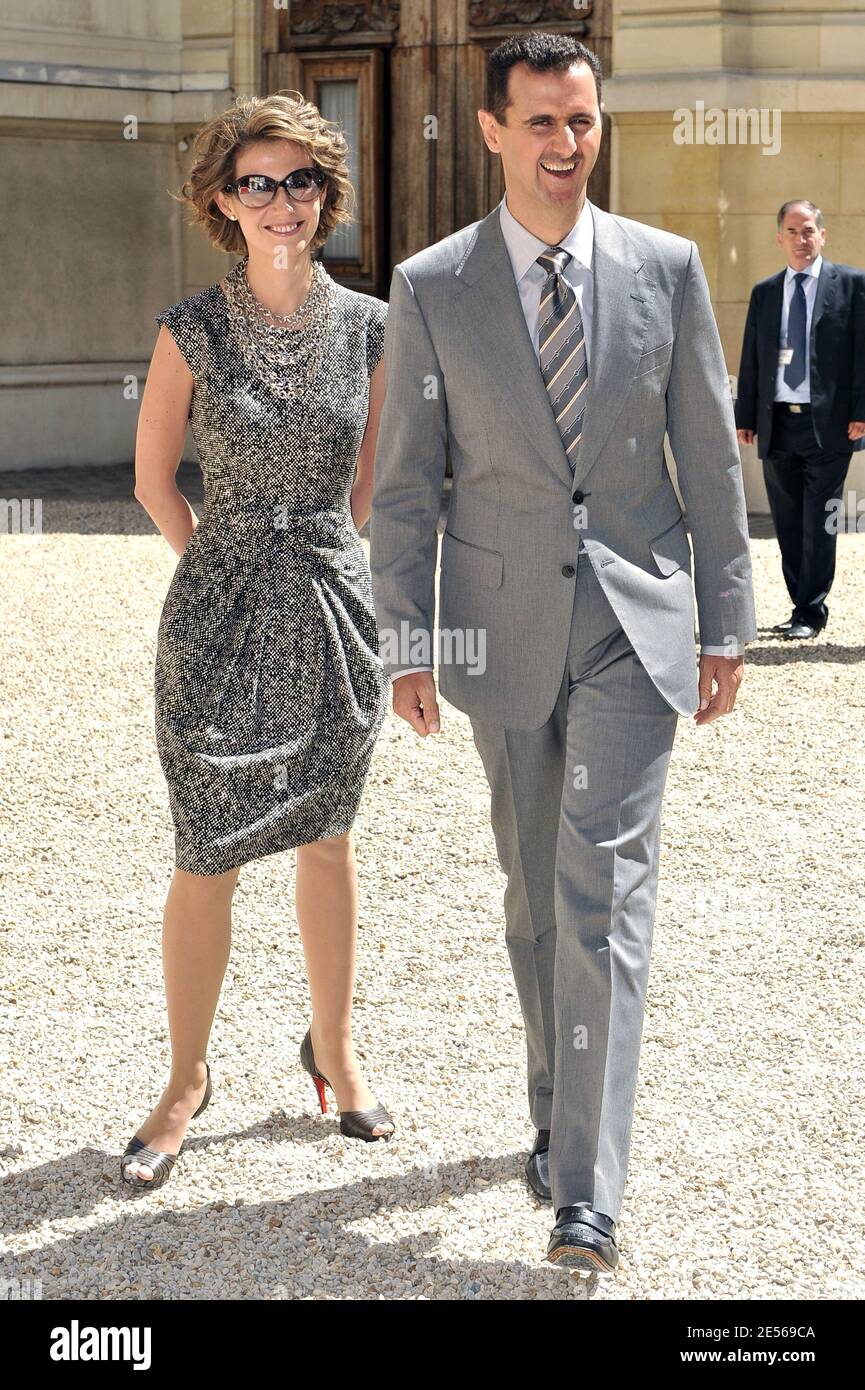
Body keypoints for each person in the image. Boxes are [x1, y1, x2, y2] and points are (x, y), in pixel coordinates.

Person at [369, 32, 755, 1275]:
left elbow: (706, 448)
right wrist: (407, 637)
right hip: (497, 631)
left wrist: (726, 616)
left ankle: (586, 1186)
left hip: (634, 627)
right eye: (537, 121)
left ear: (600, 124)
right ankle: (551, 1106)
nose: (561, 144)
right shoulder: (430, 287)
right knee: (537, 899)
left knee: (605, 898)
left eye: (579, 120)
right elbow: (405, 486)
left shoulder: (668, 268)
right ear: (490, 129)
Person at [124, 91, 394, 1192]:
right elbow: (151, 482)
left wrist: (319, 558)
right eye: (255, 183)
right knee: (206, 852)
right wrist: (225, 565)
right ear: (223, 201)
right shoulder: (189, 328)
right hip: (215, 617)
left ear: (324, 196)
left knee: (326, 839)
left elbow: (374, 480)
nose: (279, 202)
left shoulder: (375, 326)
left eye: (299, 182)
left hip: (332, 612)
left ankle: (332, 1046)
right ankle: (185, 1078)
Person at [735, 199, 865, 638]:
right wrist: (746, 415)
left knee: (819, 518)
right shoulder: (766, 292)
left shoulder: (852, 285)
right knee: (787, 520)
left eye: (808, 230)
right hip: (778, 424)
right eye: (792, 232)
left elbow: (863, 354)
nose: (801, 239)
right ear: (779, 238)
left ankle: (811, 610)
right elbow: (752, 357)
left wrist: (861, 411)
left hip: (828, 425)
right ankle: (799, 605)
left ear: (822, 235)